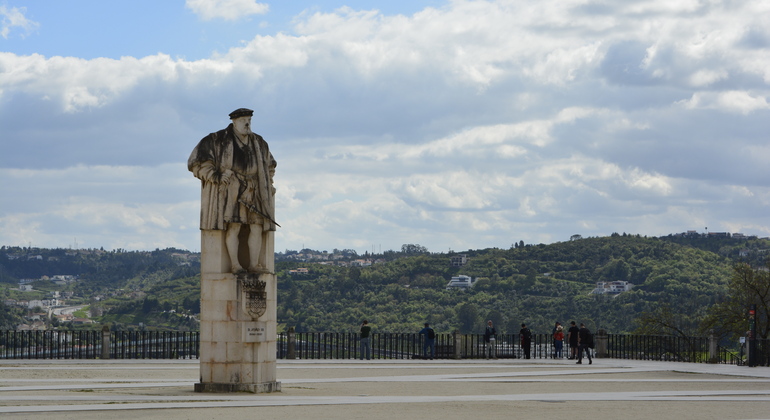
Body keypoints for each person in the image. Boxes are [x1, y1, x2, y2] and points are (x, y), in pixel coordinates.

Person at [188, 108, 277, 274]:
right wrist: (216, 176)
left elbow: (270, 165)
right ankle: (235, 265)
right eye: (243, 120)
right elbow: (197, 162)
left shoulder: (259, 142)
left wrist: (268, 182)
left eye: (249, 120)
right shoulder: (217, 140)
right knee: (234, 225)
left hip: (255, 190)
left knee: (256, 226)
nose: (247, 123)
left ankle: (254, 264)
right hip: (232, 190)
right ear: (234, 121)